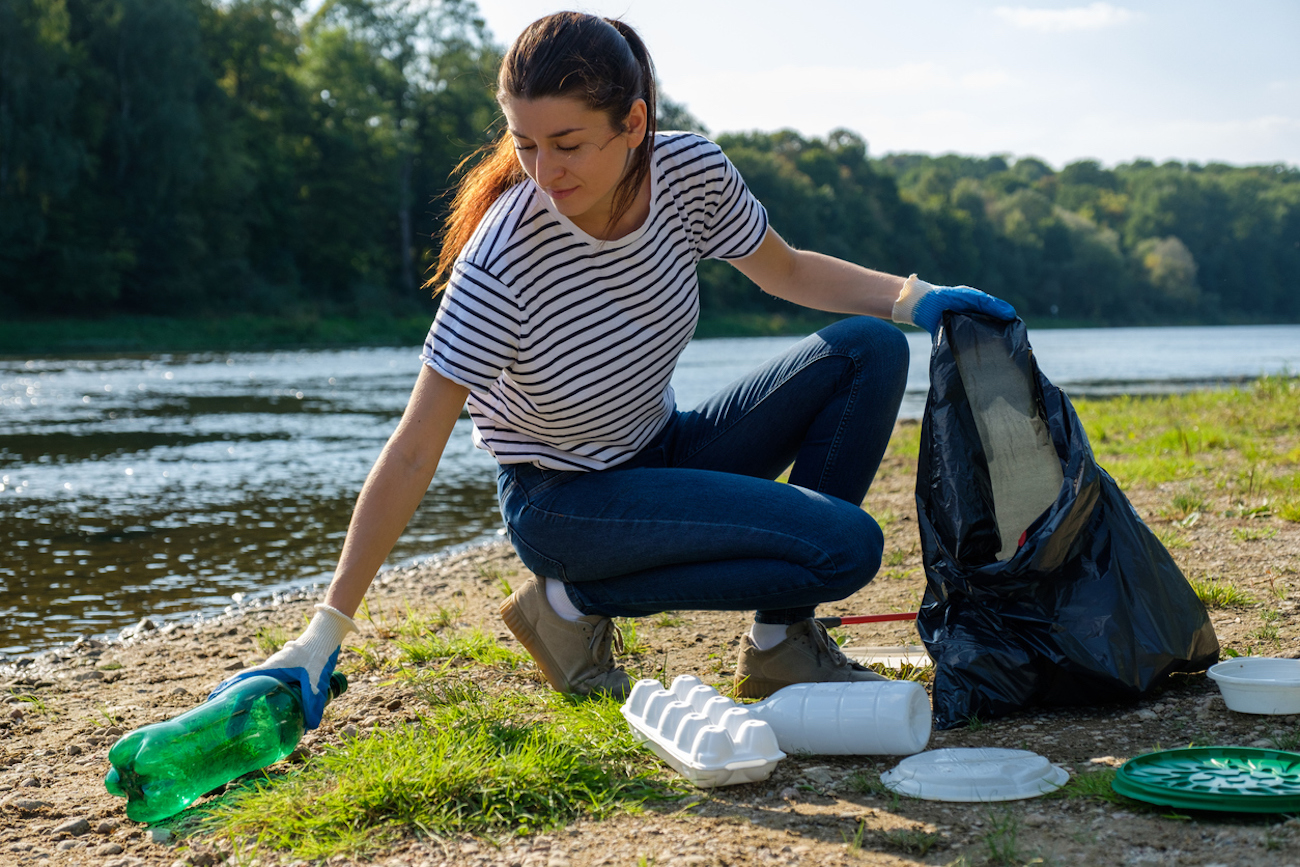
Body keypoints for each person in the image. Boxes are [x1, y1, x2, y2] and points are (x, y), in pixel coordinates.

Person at [211, 11, 1015, 729]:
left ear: (632, 123)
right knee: (847, 548)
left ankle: (779, 641)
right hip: (563, 501)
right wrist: (326, 629)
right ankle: (569, 601)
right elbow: (416, 446)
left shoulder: (689, 174)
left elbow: (790, 271)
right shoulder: (502, 259)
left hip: (660, 447)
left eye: (567, 145)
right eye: (524, 144)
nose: (543, 171)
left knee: (870, 350)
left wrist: (918, 296)